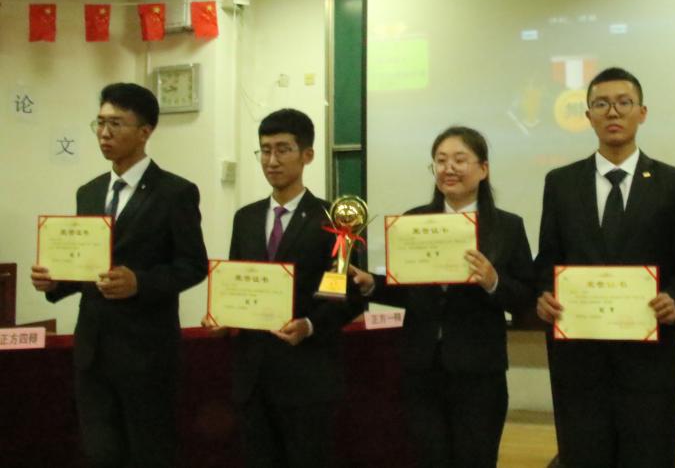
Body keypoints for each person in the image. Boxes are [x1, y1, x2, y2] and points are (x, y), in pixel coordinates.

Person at [30, 82, 208, 468]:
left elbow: (193, 265)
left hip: (147, 353)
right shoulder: (90, 192)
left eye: (115, 124)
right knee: (100, 453)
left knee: (149, 453)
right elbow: (87, 265)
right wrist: (56, 281)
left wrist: (140, 282)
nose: (104, 133)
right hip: (93, 351)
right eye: (100, 122)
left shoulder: (174, 192)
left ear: (145, 131)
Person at [534, 67, 675, 468]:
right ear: (588, 115)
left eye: (624, 103)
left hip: (648, 368)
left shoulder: (674, 184)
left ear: (642, 113)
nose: (613, 112)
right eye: (601, 104)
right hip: (579, 367)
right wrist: (543, 296)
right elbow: (547, 261)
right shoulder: (560, 183)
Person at [350, 126, 535, 468]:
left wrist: (493, 281)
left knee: (475, 458)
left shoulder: (506, 226)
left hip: (479, 370)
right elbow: (407, 288)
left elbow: (525, 295)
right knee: (428, 456)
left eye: (459, 160)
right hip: (421, 366)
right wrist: (372, 284)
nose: (449, 168)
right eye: (440, 160)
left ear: (483, 169)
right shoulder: (414, 221)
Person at [206, 108, 364, 468]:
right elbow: (237, 283)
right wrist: (224, 316)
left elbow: (346, 294)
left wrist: (309, 324)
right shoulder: (245, 218)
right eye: (264, 150)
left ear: (307, 155)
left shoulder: (335, 221)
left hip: (307, 376)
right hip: (253, 377)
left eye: (282, 149)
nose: (271, 160)